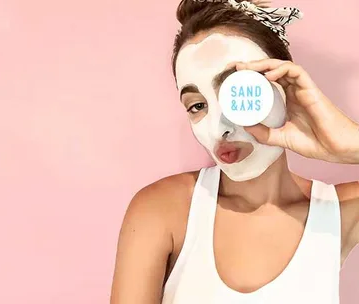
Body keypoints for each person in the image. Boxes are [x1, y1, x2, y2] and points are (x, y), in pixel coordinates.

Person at [110, 0, 359, 303]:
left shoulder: (340, 211)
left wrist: (348, 146)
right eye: (197, 106)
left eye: (236, 93)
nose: (219, 129)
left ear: (282, 86)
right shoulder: (161, 210)